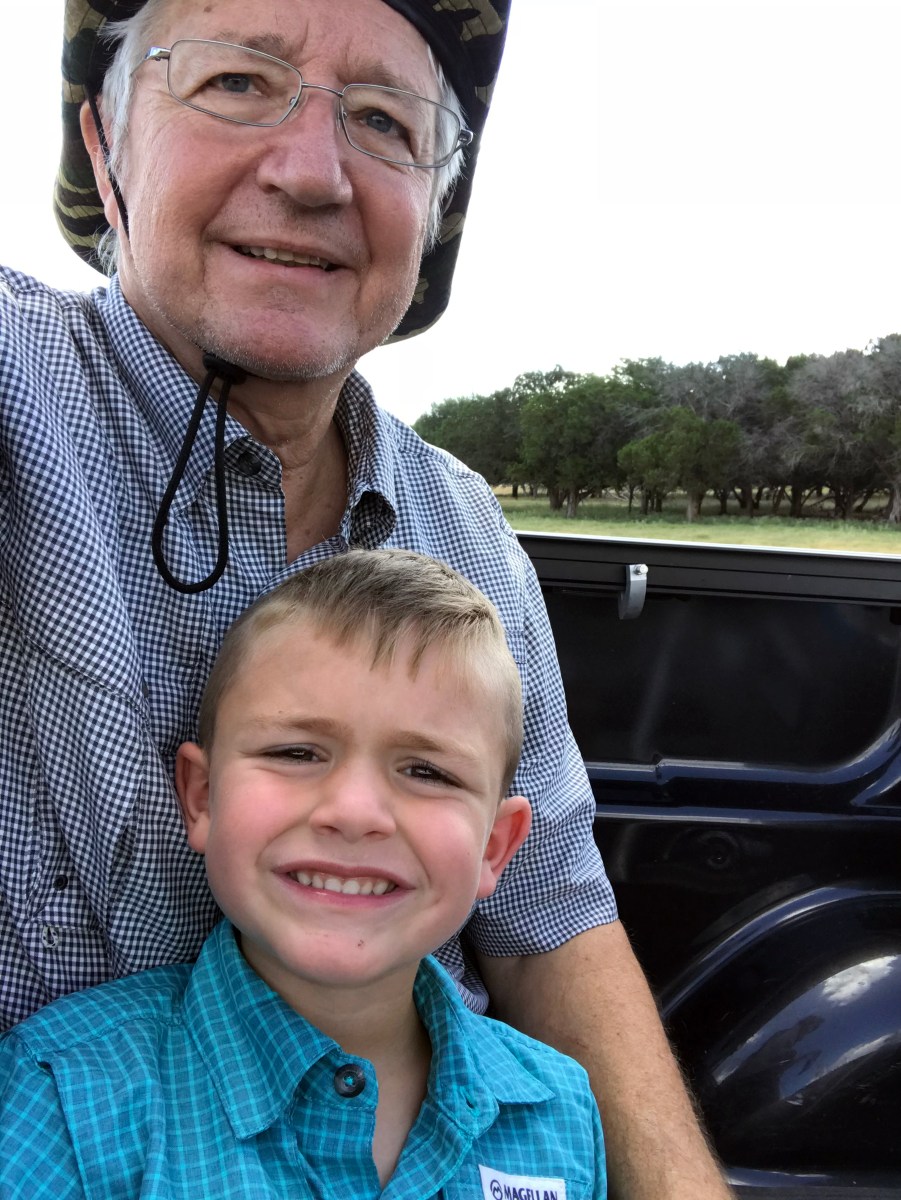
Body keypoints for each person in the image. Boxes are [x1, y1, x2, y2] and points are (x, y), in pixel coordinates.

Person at [0, 1, 732, 1195]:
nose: (310, 171)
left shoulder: (470, 530)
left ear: (433, 211)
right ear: (104, 144)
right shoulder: (16, 382)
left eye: (386, 122)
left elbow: (549, 919)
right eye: (237, 83)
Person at [0, 549, 607, 1199]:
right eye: (295, 752)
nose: (354, 812)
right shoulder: (63, 1098)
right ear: (202, 797)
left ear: (494, 847)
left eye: (426, 771)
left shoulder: (560, 1111)